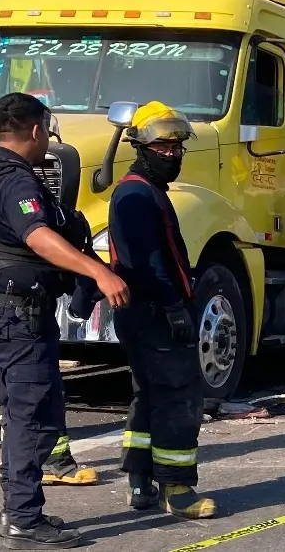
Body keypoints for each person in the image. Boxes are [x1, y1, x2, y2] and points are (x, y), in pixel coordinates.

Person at [0, 92, 129, 548]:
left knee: (30, 411)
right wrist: (98, 270)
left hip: (8, 311)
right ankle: (23, 518)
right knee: (28, 415)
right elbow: (38, 238)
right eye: (46, 131)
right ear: (35, 130)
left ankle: (20, 510)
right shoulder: (15, 180)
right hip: (18, 316)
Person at [106, 101, 216, 519]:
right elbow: (147, 261)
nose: (172, 156)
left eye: (177, 149)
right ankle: (178, 488)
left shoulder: (145, 191)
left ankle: (140, 482)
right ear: (140, 146)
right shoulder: (136, 194)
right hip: (152, 313)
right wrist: (173, 307)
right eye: (164, 149)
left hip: (145, 312)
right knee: (178, 397)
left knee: (148, 395)